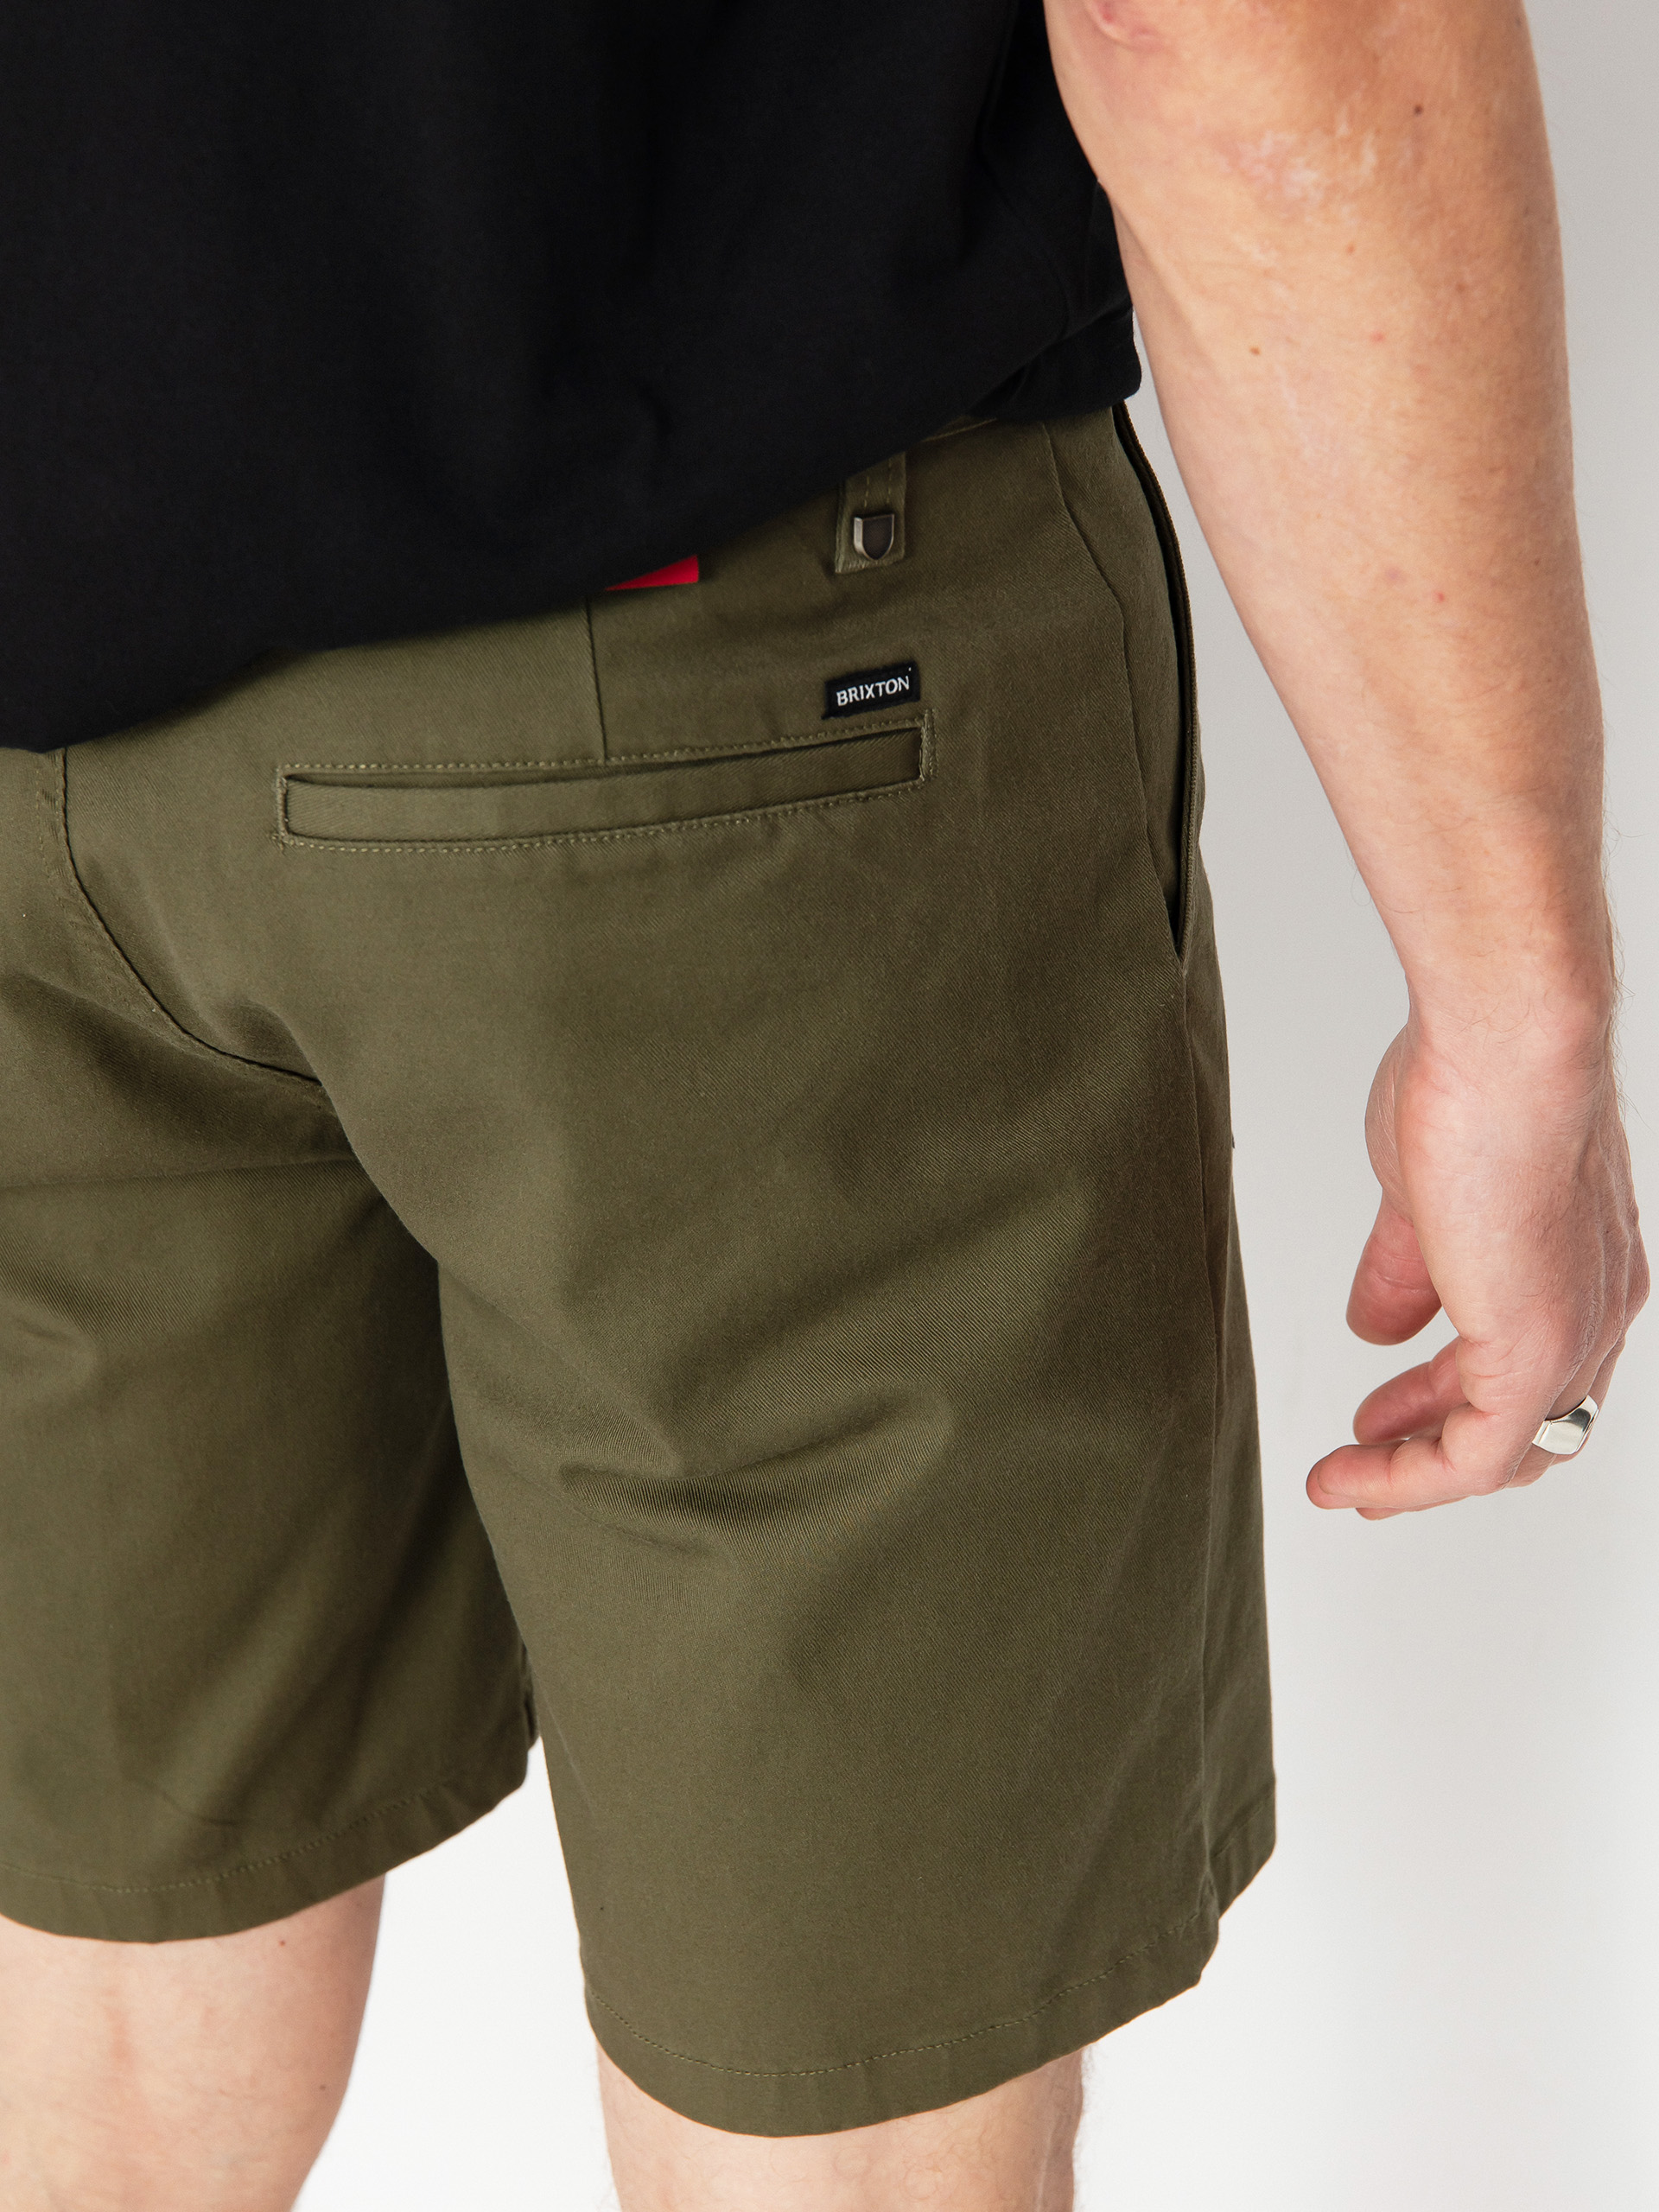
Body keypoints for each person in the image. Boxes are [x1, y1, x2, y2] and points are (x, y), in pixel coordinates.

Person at [0, 0, 1644, 2203]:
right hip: (730, 739)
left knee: (97, 1989)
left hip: (47, 648)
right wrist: (1520, 1007)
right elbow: (1248, 39)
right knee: (847, 2093)